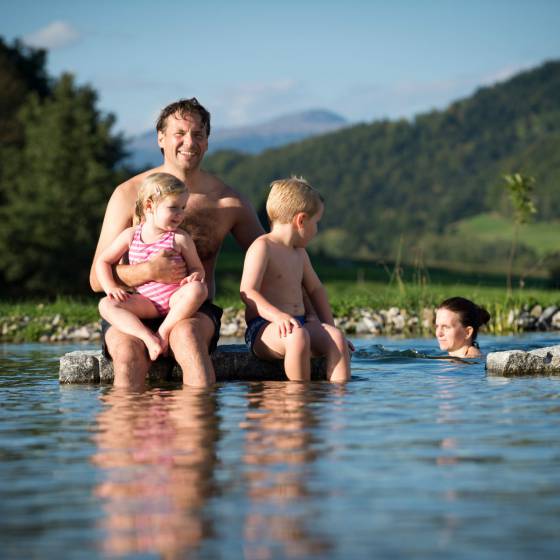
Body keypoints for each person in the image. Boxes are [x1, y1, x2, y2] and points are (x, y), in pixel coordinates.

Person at [90, 98, 265, 389]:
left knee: (187, 340)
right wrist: (149, 271)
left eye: (198, 134)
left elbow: (275, 257)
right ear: (160, 138)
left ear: (207, 141)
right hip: (134, 307)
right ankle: (127, 431)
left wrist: (309, 316)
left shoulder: (228, 201)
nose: (189, 142)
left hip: (192, 311)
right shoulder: (127, 194)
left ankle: (195, 431)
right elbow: (97, 279)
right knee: (127, 352)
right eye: (179, 133)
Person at [240, 177, 351, 383]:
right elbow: (247, 291)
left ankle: (339, 400)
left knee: (336, 340)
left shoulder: (300, 253)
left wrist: (329, 326)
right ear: (301, 220)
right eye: (316, 223)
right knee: (297, 338)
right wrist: (277, 316)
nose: (317, 230)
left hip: (299, 323)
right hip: (265, 327)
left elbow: (316, 289)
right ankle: (298, 399)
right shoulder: (263, 247)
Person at [96, 172, 207, 361]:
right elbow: (103, 261)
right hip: (146, 302)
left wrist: (194, 276)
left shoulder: (179, 238)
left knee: (198, 289)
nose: (180, 214)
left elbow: (197, 267)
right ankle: (147, 338)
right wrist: (110, 287)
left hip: (175, 300)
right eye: (173, 208)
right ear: (149, 206)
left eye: (183, 207)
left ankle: (163, 333)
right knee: (106, 305)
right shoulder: (131, 235)